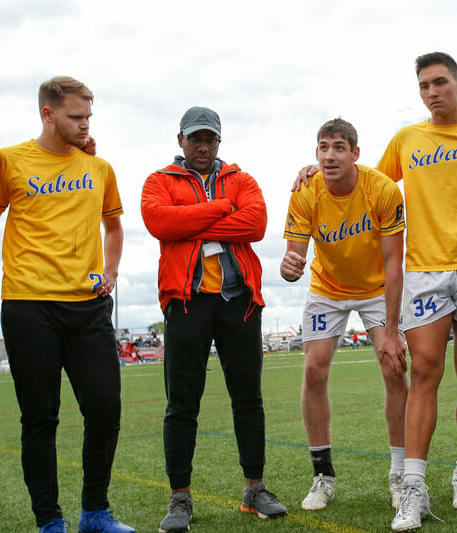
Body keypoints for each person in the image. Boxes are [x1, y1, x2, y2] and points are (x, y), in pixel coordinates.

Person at [294, 52, 457, 531]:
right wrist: (316, 169)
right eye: (424, 85)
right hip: (423, 268)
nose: (432, 92)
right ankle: (412, 484)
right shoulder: (407, 139)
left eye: (440, 83)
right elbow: (369, 182)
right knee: (423, 371)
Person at [0, 76, 132, 533]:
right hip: (29, 306)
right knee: (40, 418)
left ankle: (96, 513)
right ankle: (50, 521)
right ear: (47, 114)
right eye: (75, 116)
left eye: (88, 116)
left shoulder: (100, 167)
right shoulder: (8, 161)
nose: (85, 124)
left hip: (88, 307)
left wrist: (110, 272)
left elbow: (113, 226)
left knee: (106, 407)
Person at [141, 106, 287, 533]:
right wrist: (222, 210)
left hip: (238, 300)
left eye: (210, 140)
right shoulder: (159, 181)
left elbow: (257, 223)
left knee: (248, 399)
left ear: (219, 142)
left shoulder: (241, 179)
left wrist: (193, 225)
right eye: (195, 139)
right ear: (181, 140)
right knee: (181, 404)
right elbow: (159, 222)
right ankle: (180, 497)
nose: (202, 147)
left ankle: (255, 488)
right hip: (186, 301)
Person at [280, 118, 408, 511]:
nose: (329, 155)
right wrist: (290, 266)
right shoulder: (305, 190)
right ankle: (323, 475)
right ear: (315, 153)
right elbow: (294, 257)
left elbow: (393, 262)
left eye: (338, 147)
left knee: (393, 366)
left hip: (376, 288)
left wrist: (390, 330)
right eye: (323, 147)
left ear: (355, 153)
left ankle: (401, 474)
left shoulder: (382, 189)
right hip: (328, 289)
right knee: (314, 370)